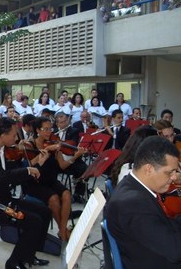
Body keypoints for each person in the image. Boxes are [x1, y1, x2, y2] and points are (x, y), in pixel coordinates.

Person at [0, 117, 51, 269]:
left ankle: (29, 254)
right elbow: (2, 177)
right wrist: (28, 170)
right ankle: (14, 262)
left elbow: (13, 174)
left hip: (6, 199)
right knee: (33, 221)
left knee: (45, 211)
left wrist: (35, 164)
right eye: (14, 135)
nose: (16, 138)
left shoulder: (4, 149)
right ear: (3, 134)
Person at [106, 136, 181, 268]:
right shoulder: (132, 204)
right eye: (169, 172)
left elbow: (163, 225)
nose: (174, 177)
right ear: (148, 169)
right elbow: (176, 251)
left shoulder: (132, 185)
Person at [24, 117, 85, 241]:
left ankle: (62, 231)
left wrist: (75, 157)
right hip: (35, 183)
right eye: (45, 129)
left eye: (50, 129)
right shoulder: (30, 144)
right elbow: (29, 166)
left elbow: (62, 165)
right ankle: (63, 231)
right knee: (54, 199)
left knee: (67, 194)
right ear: (37, 130)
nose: (49, 132)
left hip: (50, 180)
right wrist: (46, 150)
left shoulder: (53, 143)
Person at [54, 112, 88, 202]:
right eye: (61, 122)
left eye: (65, 121)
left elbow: (72, 144)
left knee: (84, 168)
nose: (64, 124)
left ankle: (78, 194)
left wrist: (61, 143)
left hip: (71, 156)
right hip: (57, 159)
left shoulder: (74, 131)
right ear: (57, 124)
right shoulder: (52, 132)